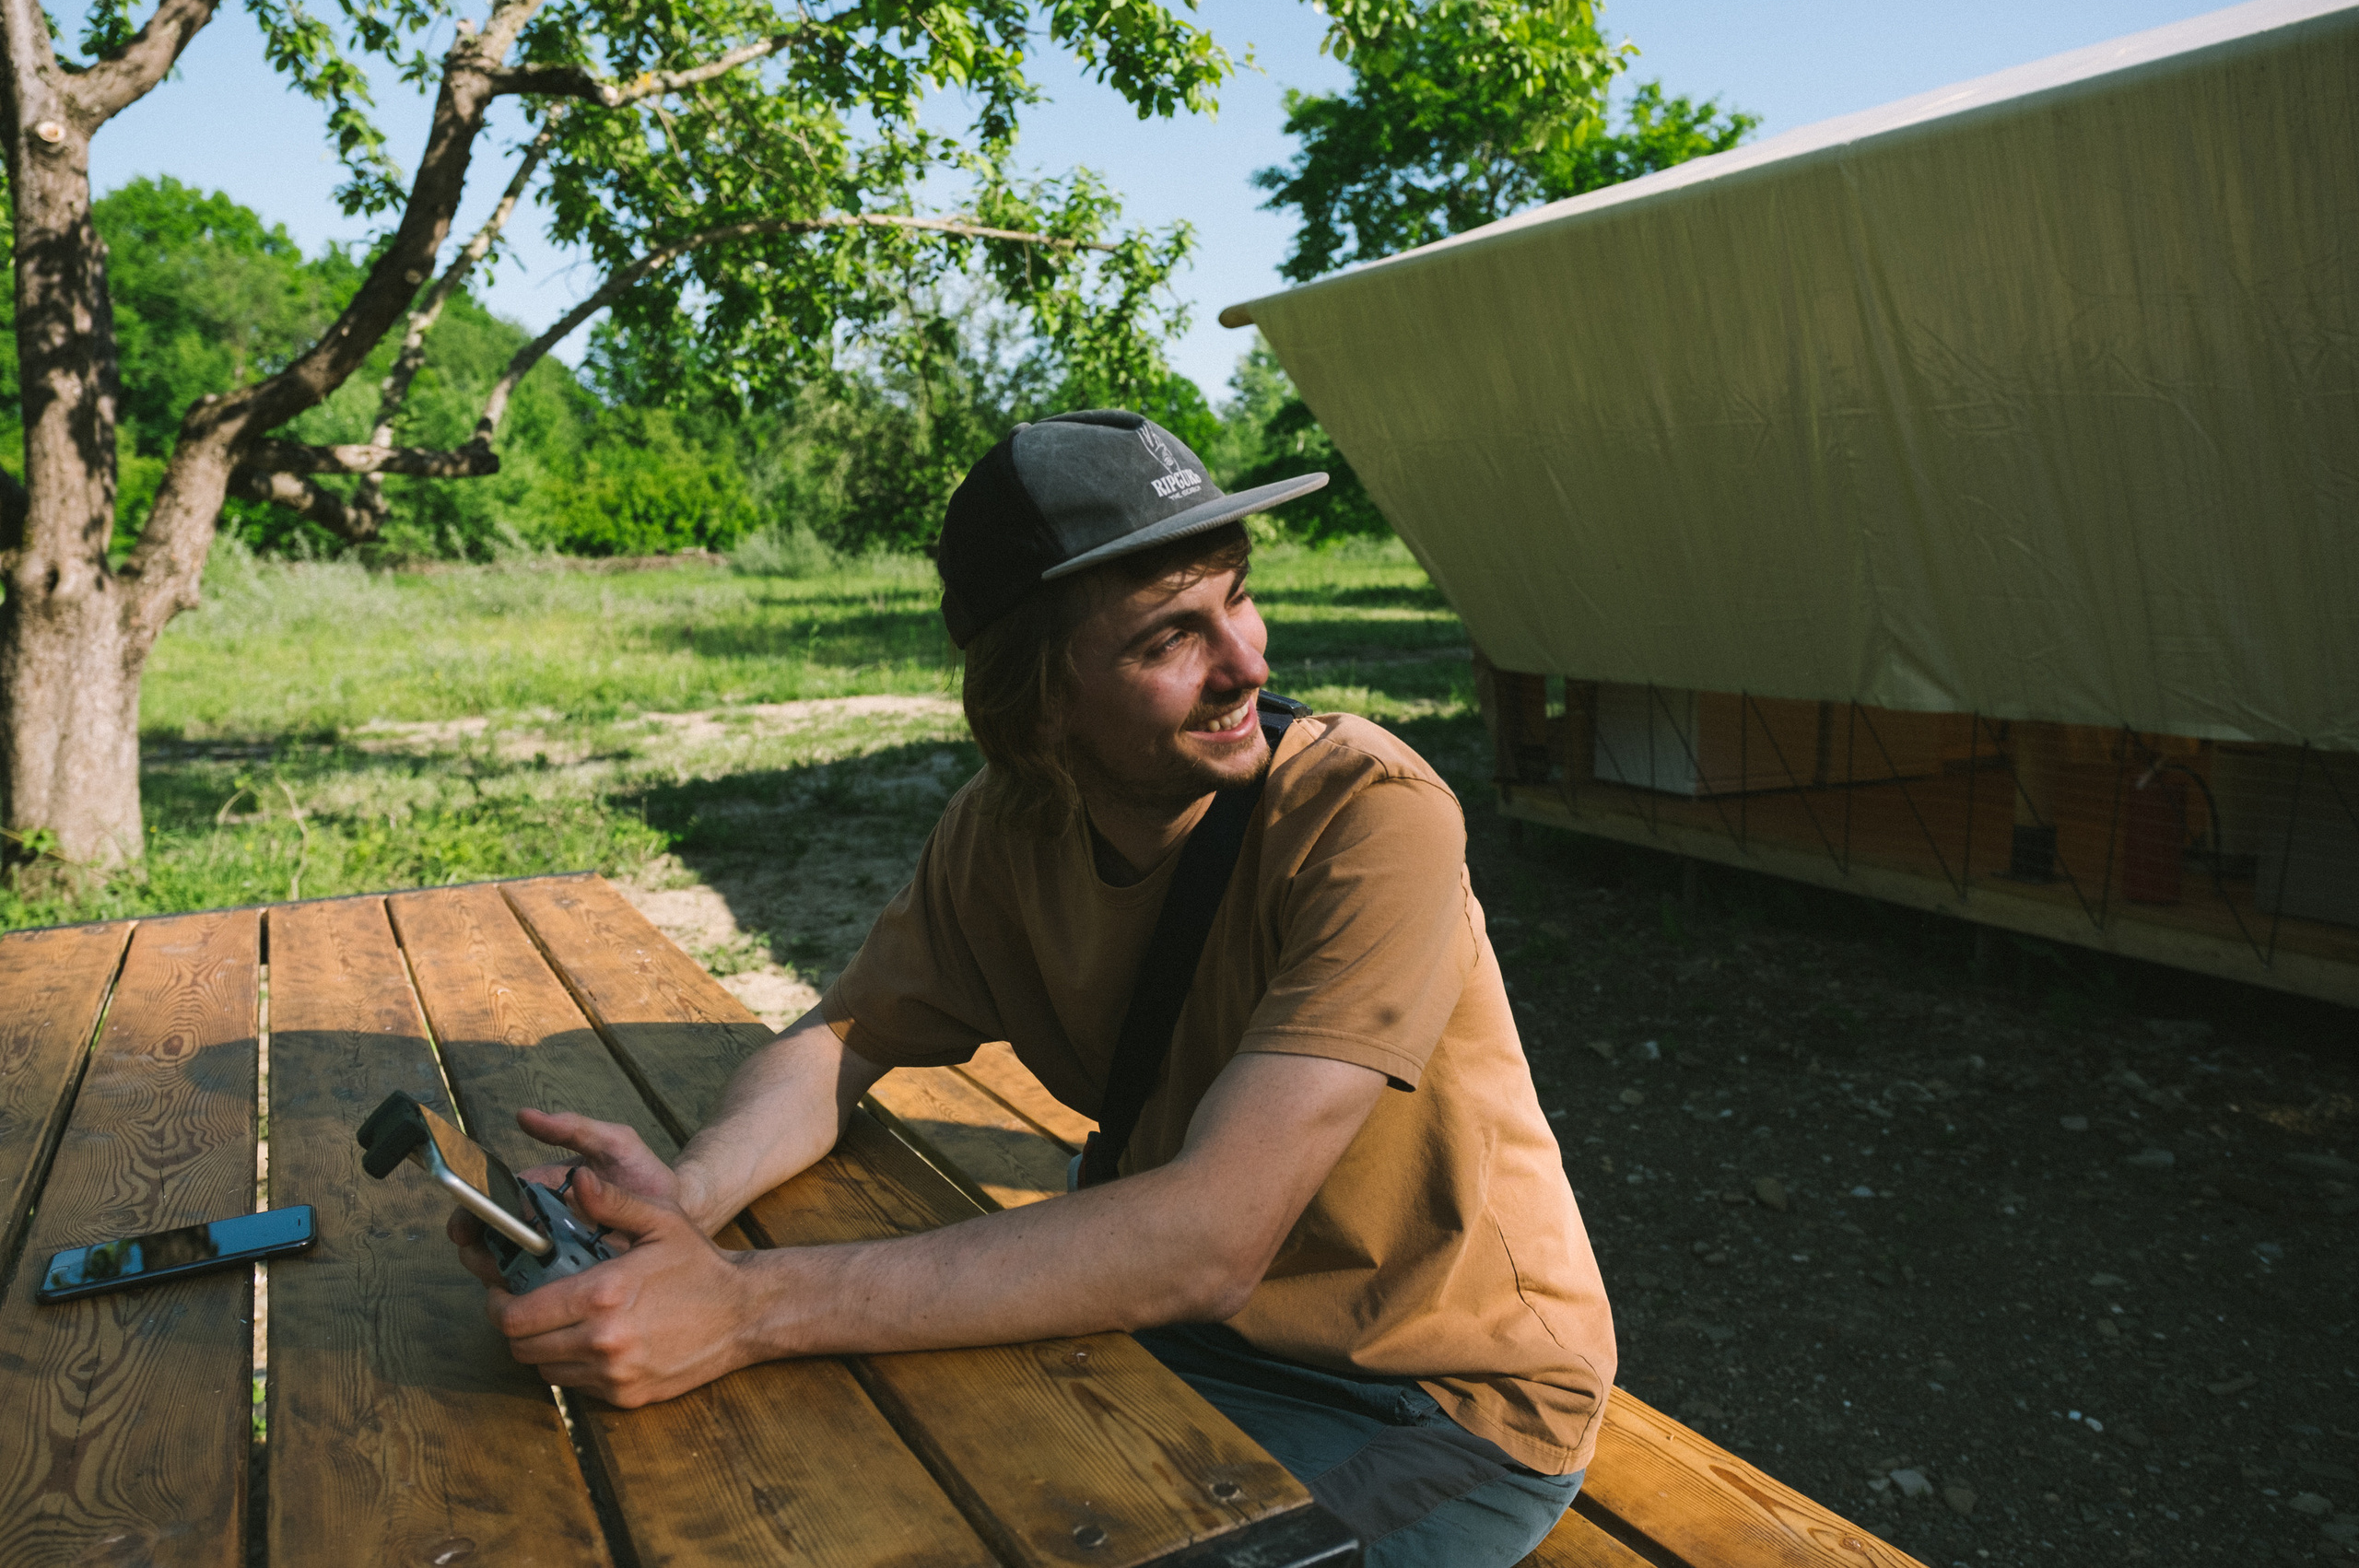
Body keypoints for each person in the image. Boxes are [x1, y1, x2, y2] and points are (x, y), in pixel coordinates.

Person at [452, 409, 1616, 1566]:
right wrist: (690, 1196)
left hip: (1436, 1395)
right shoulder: (1005, 828)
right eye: (1169, 638)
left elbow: (1205, 1238)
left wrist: (747, 1306)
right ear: (1037, 699)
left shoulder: (1370, 816)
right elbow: (842, 1038)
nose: (1249, 666)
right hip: (1175, 1329)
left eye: (1239, 596)